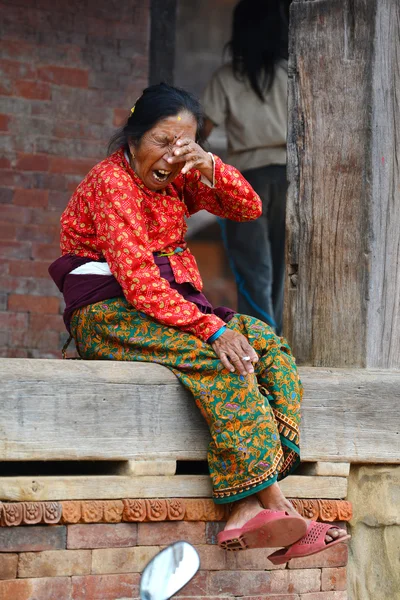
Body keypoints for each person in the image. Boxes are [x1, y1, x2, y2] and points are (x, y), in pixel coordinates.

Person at [49, 82, 348, 561]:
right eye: (161, 142)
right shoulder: (112, 182)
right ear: (132, 139)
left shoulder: (179, 176)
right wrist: (211, 328)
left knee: (267, 345)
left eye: (182, 144)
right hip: (109, 315)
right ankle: (273, 503)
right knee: (218, 358)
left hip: (170, 308)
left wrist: (207, 164)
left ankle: (255, 504)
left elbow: (248, 206)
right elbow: (140, 283)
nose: (170, 157)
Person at [202, 0, 290, 335]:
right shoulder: (291, 75)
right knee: (281, 270)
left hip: (247, 180)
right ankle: (276, 342)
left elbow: (202, 130)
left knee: (253, 269)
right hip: (289, 178)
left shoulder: (227, 77)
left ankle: (263, 342)